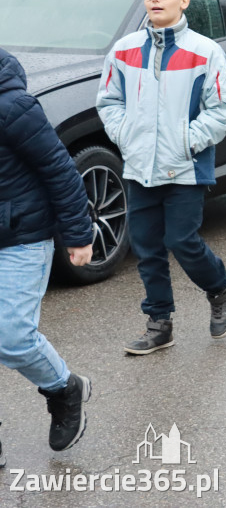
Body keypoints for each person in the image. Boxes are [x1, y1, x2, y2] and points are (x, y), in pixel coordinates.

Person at [96, 0, 226, 354]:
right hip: (139, 167)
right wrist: (126, 136)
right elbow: (109, 102)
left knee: (181, 240)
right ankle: (159, 323)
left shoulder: (205, 52)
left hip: (186, 167)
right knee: (145, 247)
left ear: (184, 1)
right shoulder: (124, 49)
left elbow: (225, 110)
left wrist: (186, 140)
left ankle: (220, 289)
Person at [0, 48, 95, 457]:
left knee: (13, 337)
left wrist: (79, 235)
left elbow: (59, 168)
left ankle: (63, 387)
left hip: (21, 236)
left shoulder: (13, 107)